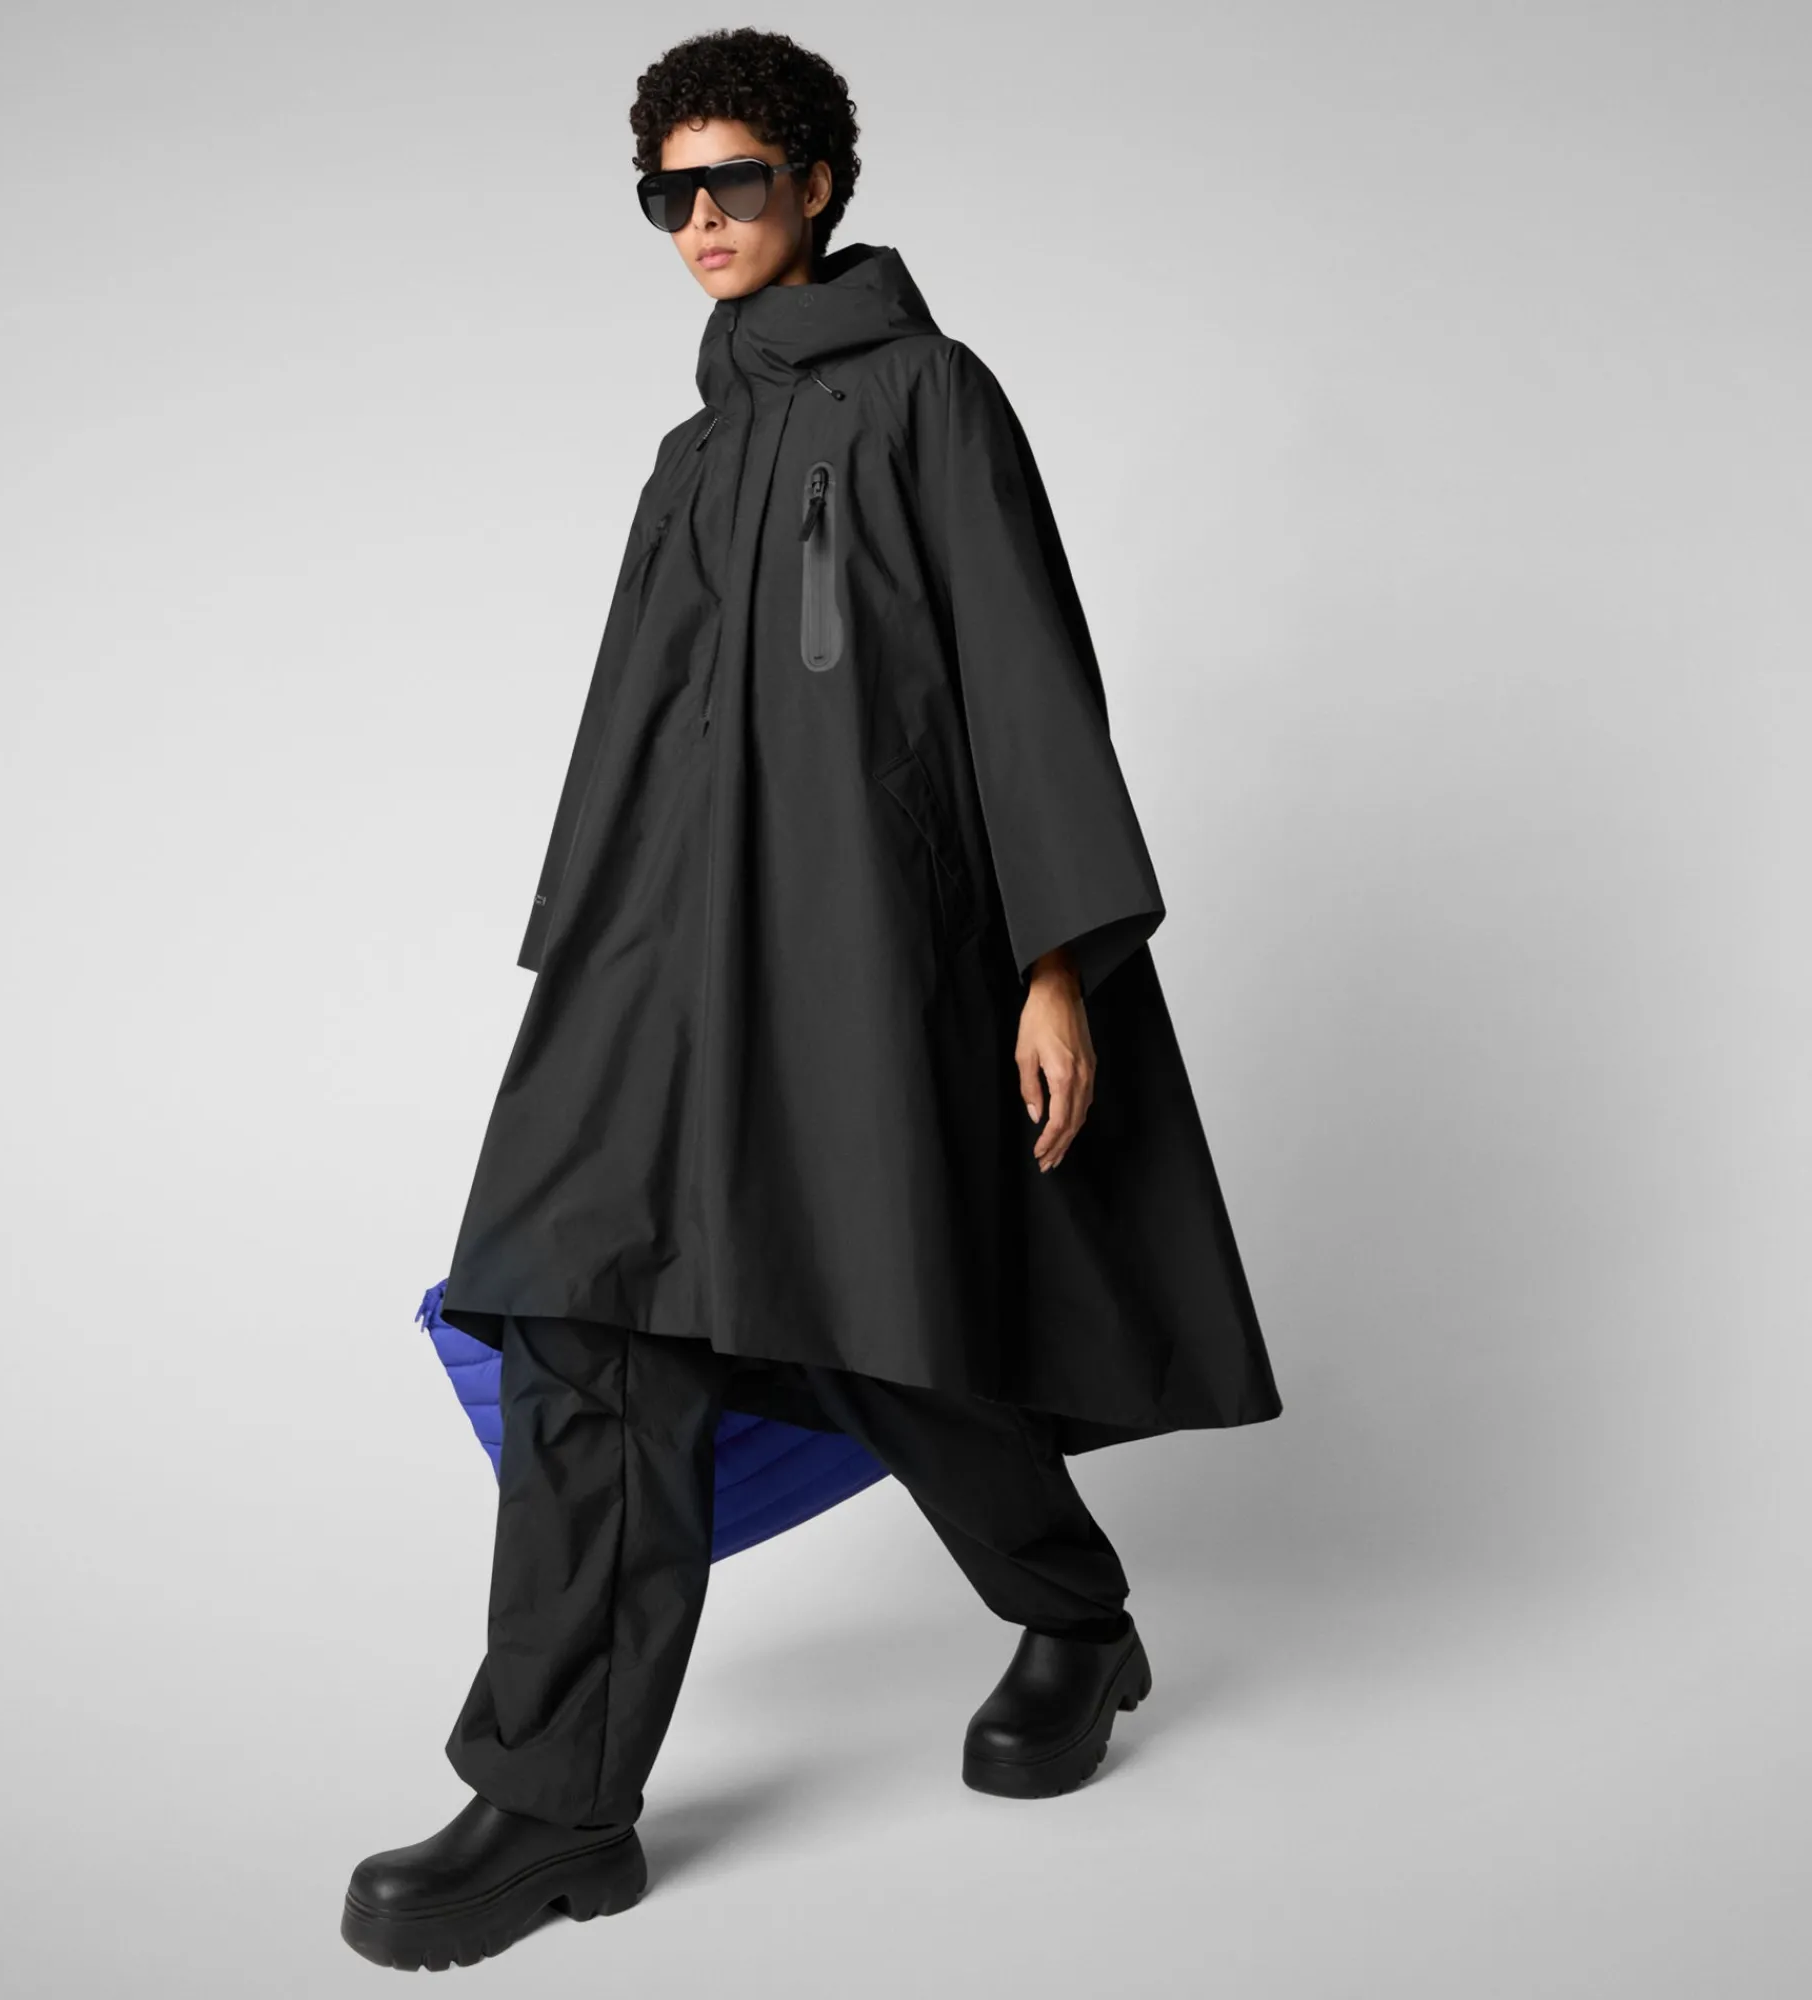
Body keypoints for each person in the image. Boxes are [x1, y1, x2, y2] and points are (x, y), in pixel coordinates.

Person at [341, 26, 1282, 1973]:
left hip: (866, 953)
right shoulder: (691, 457)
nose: (702, 220)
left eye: (737, 181)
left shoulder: (929, 395)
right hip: (657, 964)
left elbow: (1018, 672)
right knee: (580, 1305)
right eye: (668, 193)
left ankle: (1075, 1619)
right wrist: (581, 968)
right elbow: (636, 741)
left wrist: (1052, 965)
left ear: (820, 184)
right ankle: (557, 1805)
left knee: (880, 1324)